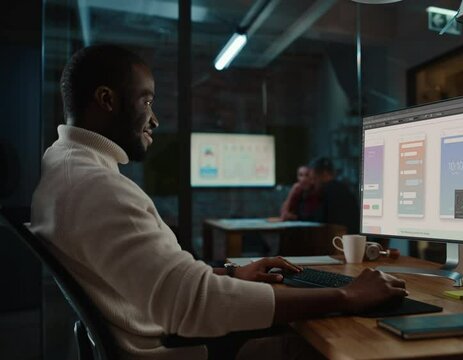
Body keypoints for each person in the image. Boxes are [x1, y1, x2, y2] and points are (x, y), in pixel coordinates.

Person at [30, 45, 407, 359]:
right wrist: (346, 294)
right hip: (179, 350)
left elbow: (163, 282)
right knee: (345, 345)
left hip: (167, 336)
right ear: (107, 100)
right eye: (146, 100)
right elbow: (194, 306)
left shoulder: (67, 168)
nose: (155, 120)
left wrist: (229, 274)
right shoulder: (94, 187)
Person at [307, 157, 360, 234]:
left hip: (337, 240)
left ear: (324, 174)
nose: (312, 183)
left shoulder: (327, 192)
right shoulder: (344, 189)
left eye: (314, 178)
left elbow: (317, 222)